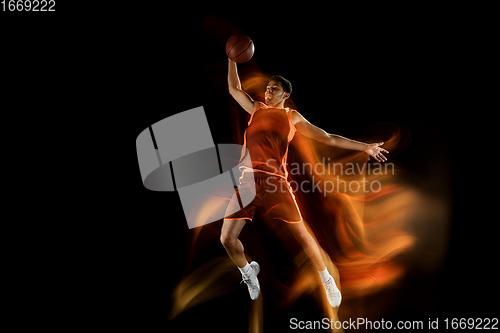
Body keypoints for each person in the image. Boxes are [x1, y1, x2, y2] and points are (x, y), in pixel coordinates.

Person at [221, 58, 389, 308]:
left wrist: (365, 147)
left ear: (285, 94)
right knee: (227, 239)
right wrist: (232, 58)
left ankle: (326, 278)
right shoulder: (256, 109)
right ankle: (248, 272)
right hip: (247, 182)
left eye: (273, 88)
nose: (268, 91)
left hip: (276, 183)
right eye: (267, 87)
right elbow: (234, 89)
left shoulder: (292, 117)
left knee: (304, 237)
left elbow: (329, 138)